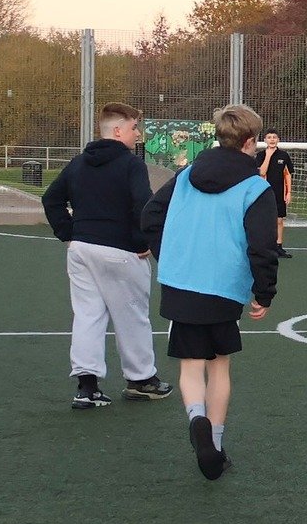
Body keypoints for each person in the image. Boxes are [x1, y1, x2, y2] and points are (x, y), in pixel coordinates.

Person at [142, 104, 278, 481]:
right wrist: (264, 292)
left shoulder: (185, 176)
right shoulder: (256, 187)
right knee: (219, 365)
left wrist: (168, 257)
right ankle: (214, 443)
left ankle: (195, 419)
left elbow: (150, 216)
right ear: (251, 142)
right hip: (222, 288)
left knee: (190, 366)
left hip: (181, 281)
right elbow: (262, 246)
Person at [41, 101, 171, 411]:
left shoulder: (78, 163)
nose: (137, 133)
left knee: (88, 315)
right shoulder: (131, 165)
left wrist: (68, 233)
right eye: (133, 127)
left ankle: (87, 388)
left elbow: (51, 199)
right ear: (117, 130)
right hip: (120, 251)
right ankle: (141, 380)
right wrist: (144, 242)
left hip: (82, 250)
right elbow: (144, 205)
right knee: (133, 316)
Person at [259, 130, 294, 259]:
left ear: (278, 139)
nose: (272, 139)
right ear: (265, 140)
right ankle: (267, 247)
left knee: (279, 220)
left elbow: (288, 174)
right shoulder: (261, 155)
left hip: (279, 193)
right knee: (267, 221)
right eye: (269, 137)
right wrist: (268, 155)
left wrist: (289, 192)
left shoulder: (284, 155)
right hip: (265, 193)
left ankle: (279, 246)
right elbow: (262, 172)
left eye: (274, 137)